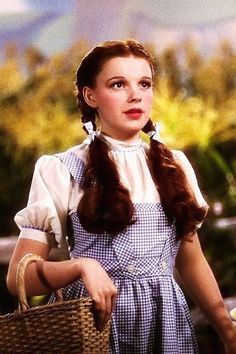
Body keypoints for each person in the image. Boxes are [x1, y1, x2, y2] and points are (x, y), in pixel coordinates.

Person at [7, 39, 236, 354]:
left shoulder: (174, 165)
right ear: (91, 96)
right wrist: (81, 266)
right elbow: (20, 275)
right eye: (118, 84)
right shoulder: (62, 169)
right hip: (94, 327)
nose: (135, 95)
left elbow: (191, 261)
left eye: (144, 84)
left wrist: (227, 332)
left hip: (164, 325)